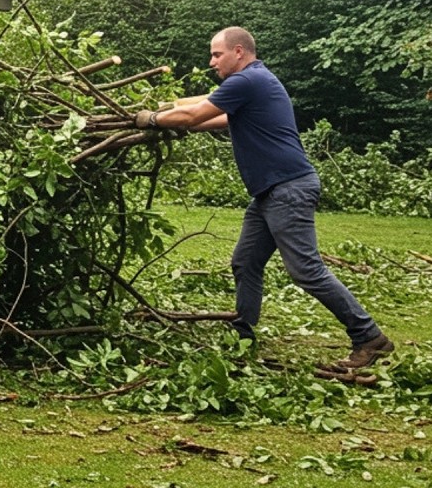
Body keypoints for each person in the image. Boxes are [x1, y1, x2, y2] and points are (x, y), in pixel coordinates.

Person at [134, 26, 393, 370]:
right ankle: (241, 337)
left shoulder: (247, 81)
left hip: (288, 188)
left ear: (239, 51)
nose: (212, 62)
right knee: (246, 261)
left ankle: (368, 337)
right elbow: (213, 120)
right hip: (271, 192)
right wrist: (170, 117)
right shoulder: (254, 83)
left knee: (306, 270)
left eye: (217, 54)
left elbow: (196, 113)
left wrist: (153, 118)